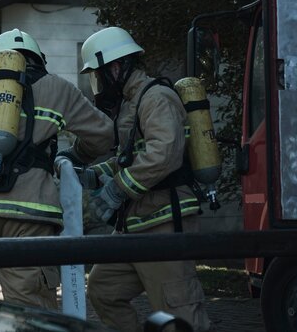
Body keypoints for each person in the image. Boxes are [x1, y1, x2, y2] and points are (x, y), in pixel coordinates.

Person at [0, 28, 114, 310]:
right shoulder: (57, 88)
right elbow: (104, 135)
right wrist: (75, 156)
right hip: (30, 208)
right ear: (39, 59)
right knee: (29, 300)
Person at [79, 27, 212, 332]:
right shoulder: (133, 102)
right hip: (136, 225)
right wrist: (100, 173)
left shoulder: (157, 97)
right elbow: (132, 155)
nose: (97, 85)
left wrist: (117, 189)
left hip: (164, 222)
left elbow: (163, 153)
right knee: (103, 291)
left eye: (97, 75)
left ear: (115, 68)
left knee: (179, 311)